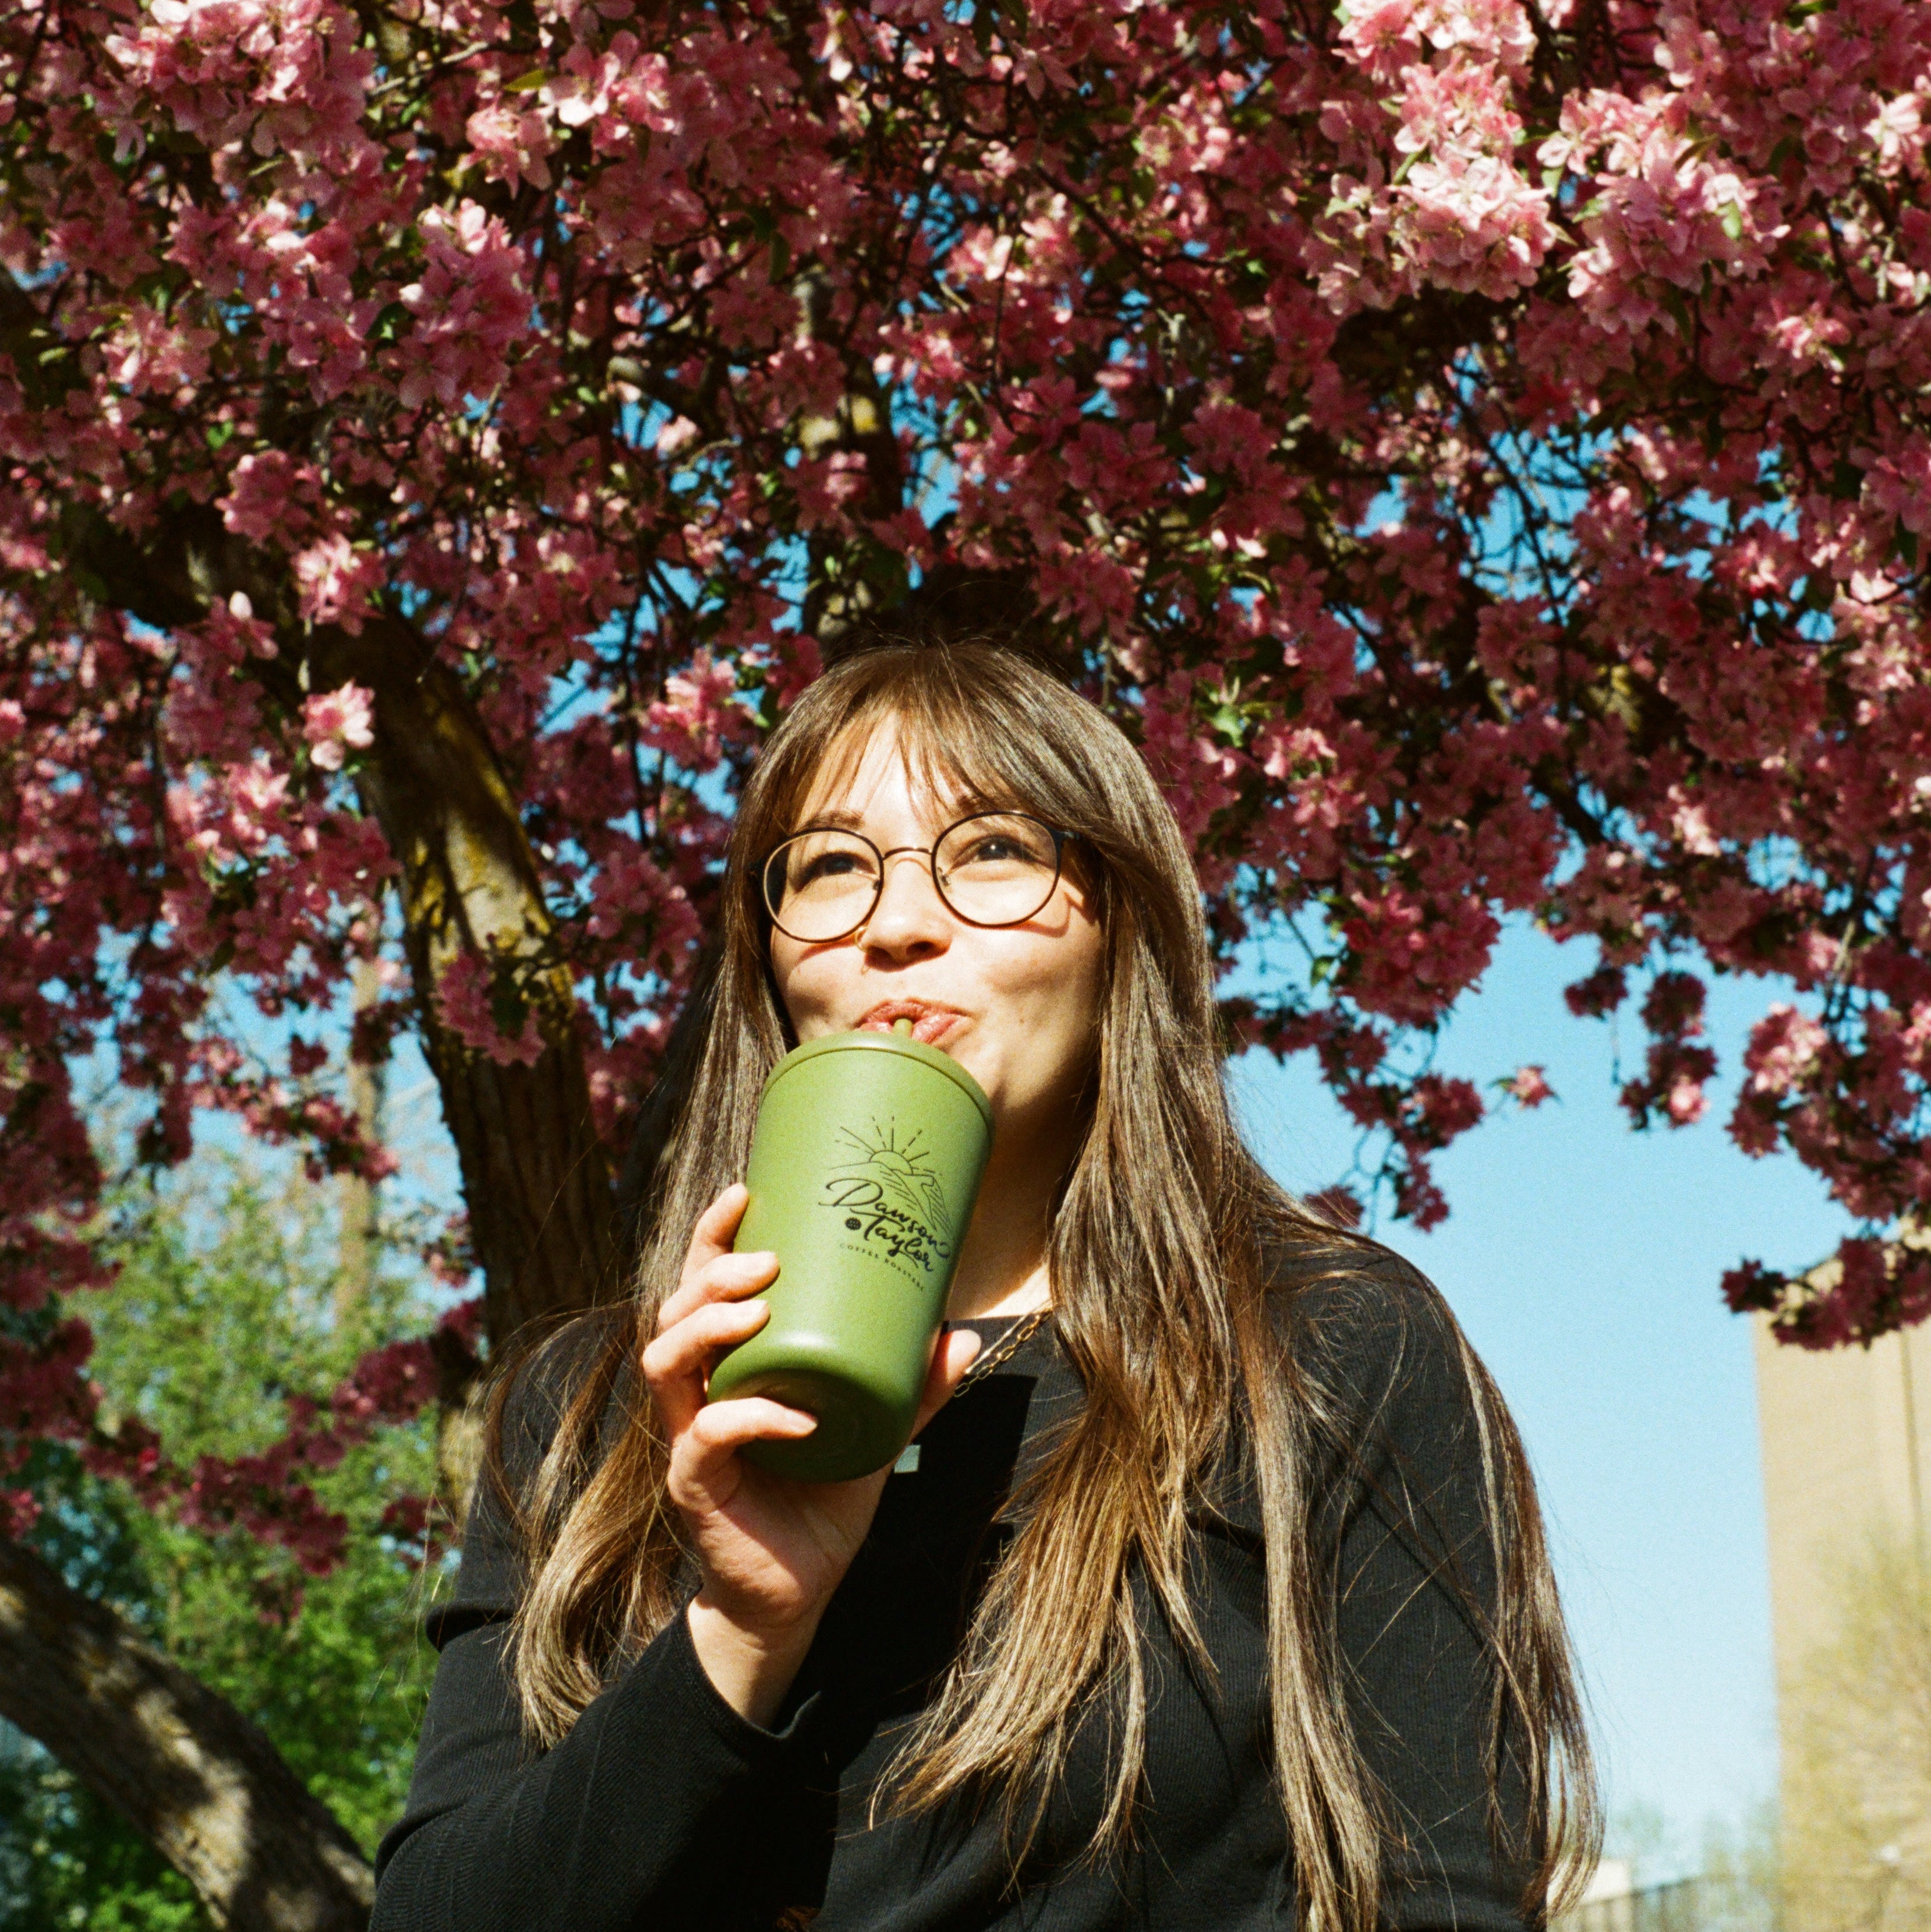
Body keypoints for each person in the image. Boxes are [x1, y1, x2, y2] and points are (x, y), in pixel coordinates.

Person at [371, 640, 1598, 1932]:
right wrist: (736, 1630)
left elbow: (1441, 1902)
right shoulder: (587, 1405)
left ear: (1118, 922)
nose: (900, 922)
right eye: (834, 866)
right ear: (774, 965)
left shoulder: (1323, 1346)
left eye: (994, 850)